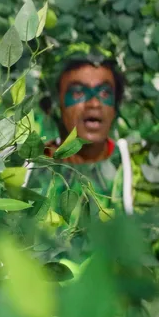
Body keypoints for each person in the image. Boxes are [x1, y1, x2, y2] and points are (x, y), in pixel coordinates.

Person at [27, 44, 134, 217]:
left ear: (115, 106)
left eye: (105, 93)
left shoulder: (134, 167)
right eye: (78, 92)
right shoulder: (29, 167)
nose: (94, 103)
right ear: (56, 104)